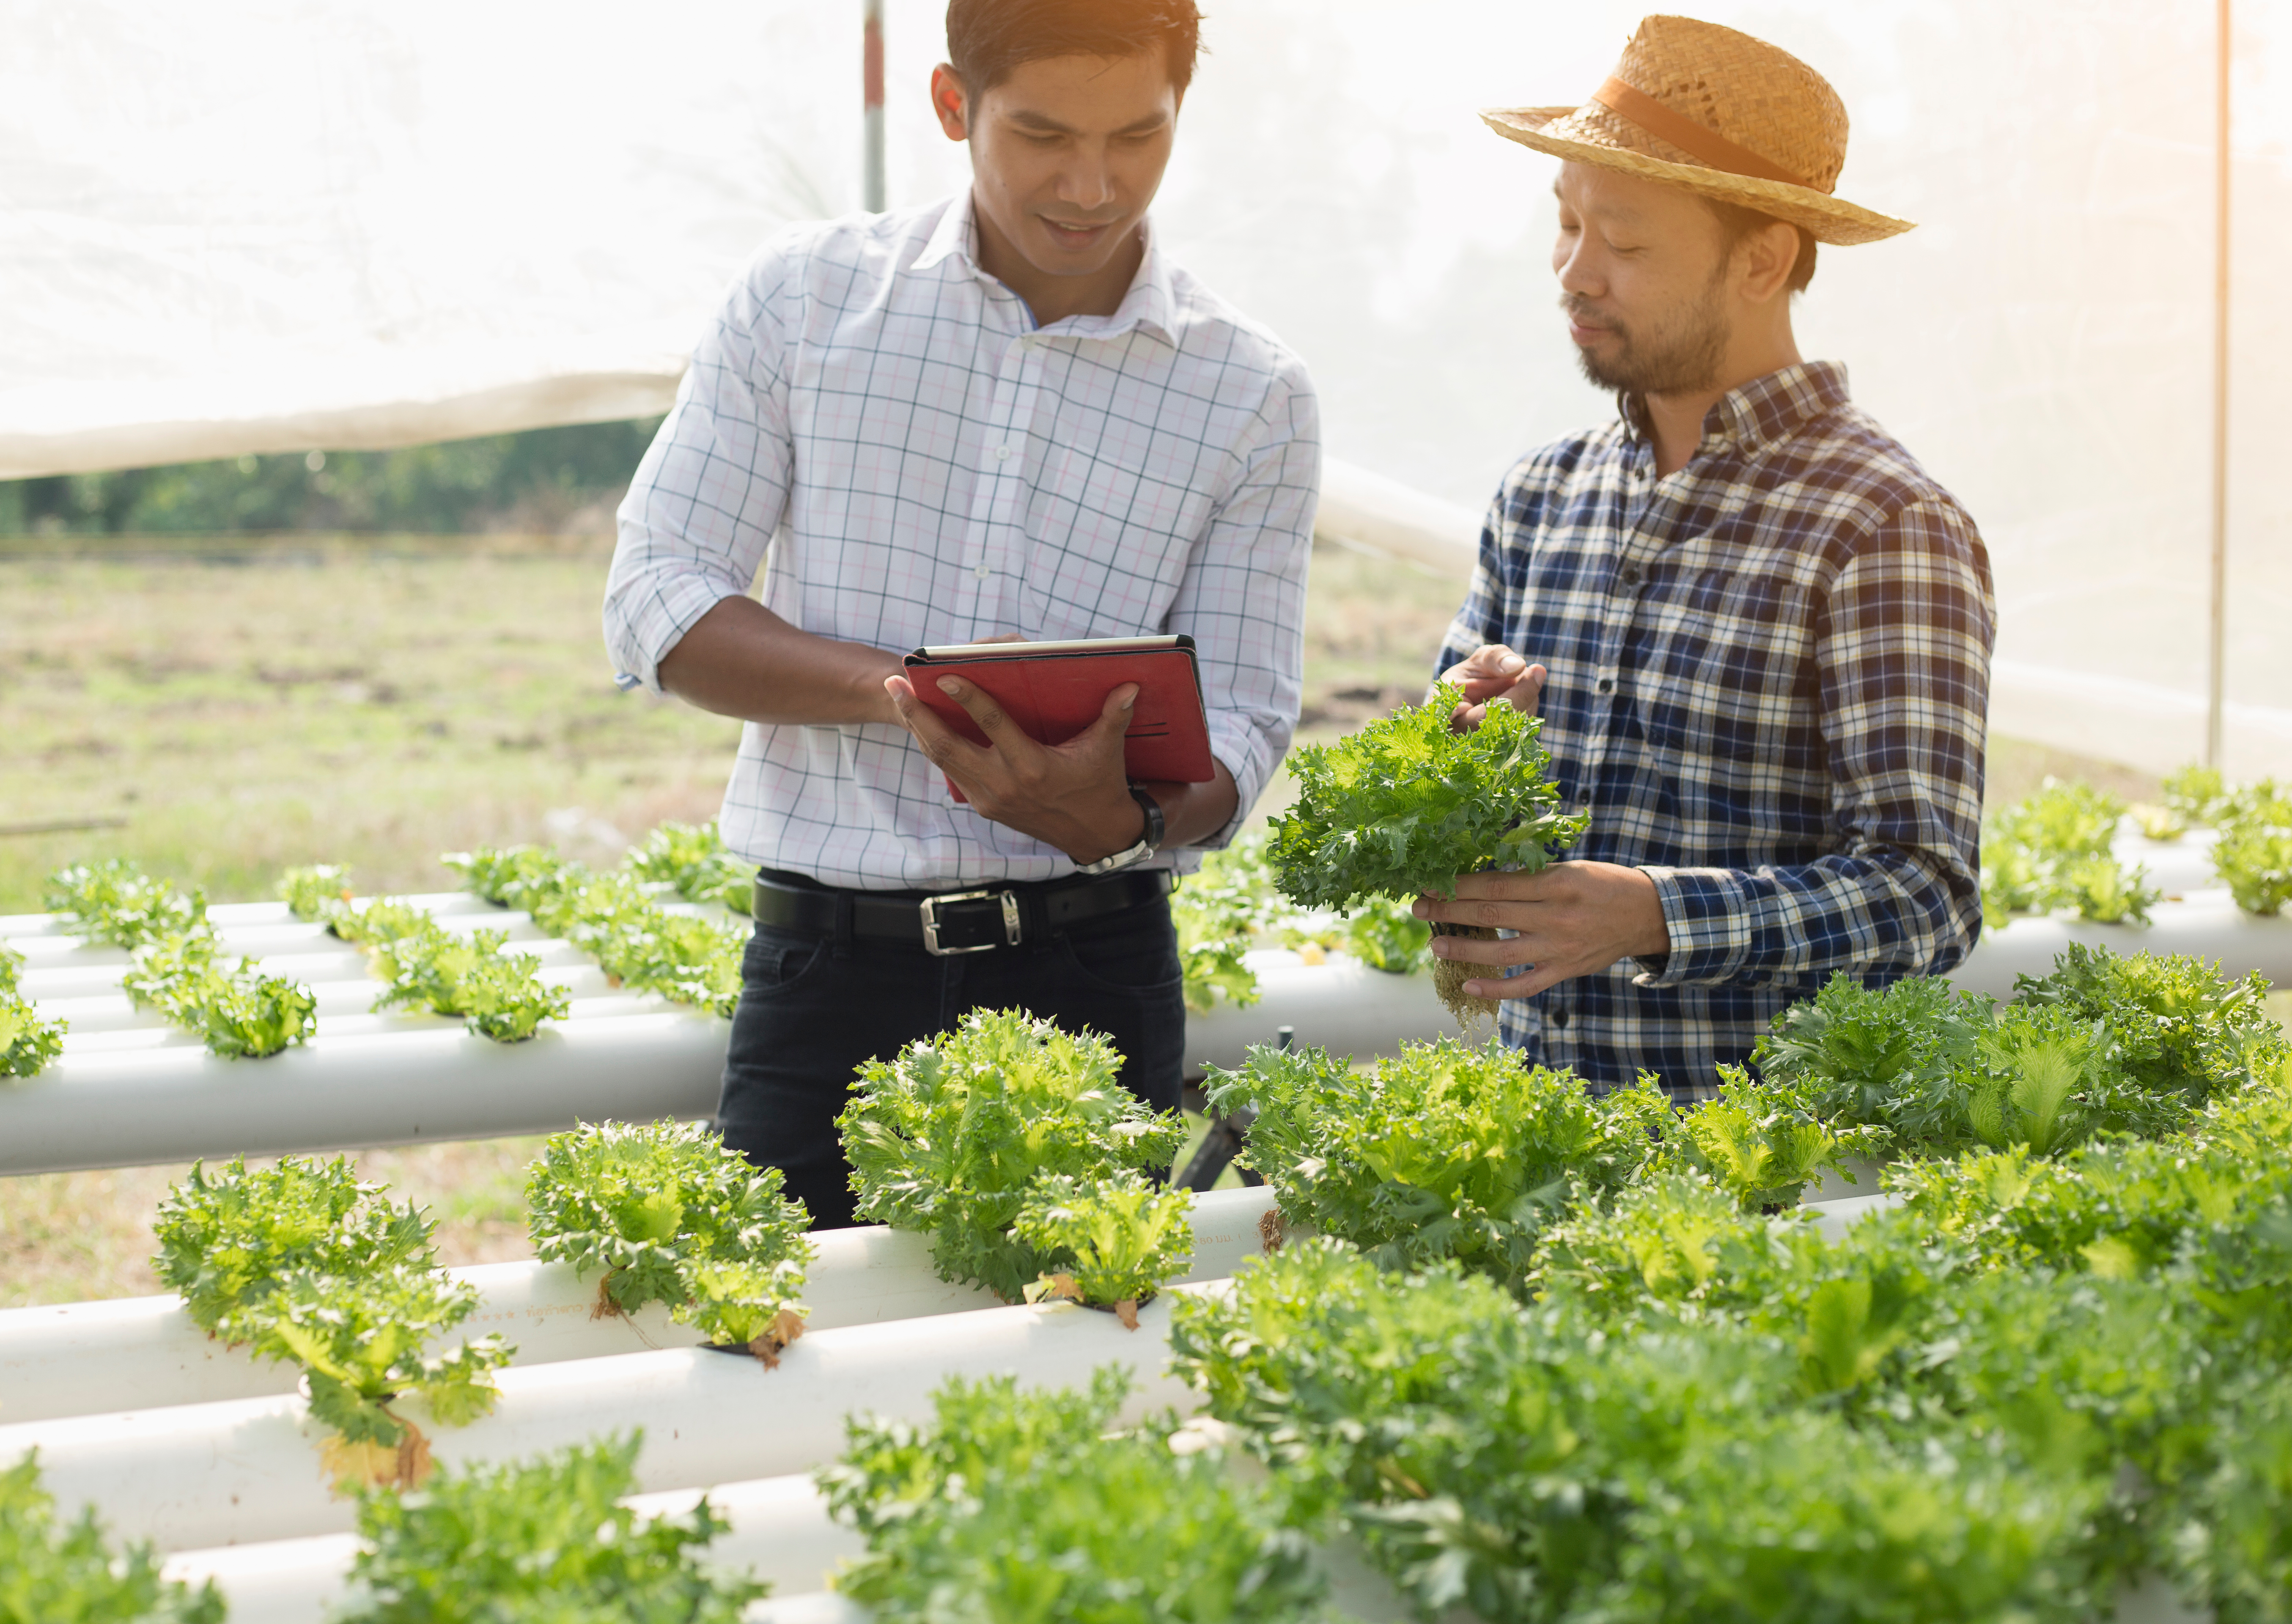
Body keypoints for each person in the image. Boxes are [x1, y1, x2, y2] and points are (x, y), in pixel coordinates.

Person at [602, 0, 1318, 1226]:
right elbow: (662, 600)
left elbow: (1246, 724)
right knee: (787, 1362)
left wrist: (1123, 816)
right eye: (1042, 135)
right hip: (826, 971)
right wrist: (914, 695)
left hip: (1095, 967)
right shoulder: (803, 301)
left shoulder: (1251, 393)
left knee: (1070, 1383)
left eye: (1137, 137)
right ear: (952, 107)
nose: (1092, 185)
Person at [1416, 14, 1996, 1099]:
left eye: (1625, 244)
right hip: (1541, 1141)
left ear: (1764, 259)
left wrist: (1654, 917)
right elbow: (1448, 749)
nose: (1575, 273)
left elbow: (1926, 894)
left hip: (1761, 1193)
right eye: (1568, 225)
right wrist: (1455, 729)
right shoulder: (1543, 496)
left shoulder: (1883, 525)